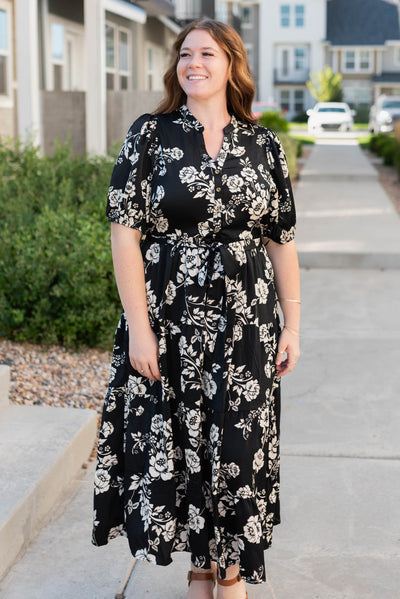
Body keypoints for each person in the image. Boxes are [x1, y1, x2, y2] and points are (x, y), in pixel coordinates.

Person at [92, 18, 300, 599]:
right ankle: (201, 572)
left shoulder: (263, 145)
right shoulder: (149, 134)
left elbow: (281, 239)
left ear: (231, 63)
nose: (194, 63)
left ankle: (229, 571)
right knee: (180, 449)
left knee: (235, 448)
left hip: (246, 323)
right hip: (168, 317)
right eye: (185, 54)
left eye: (207, 53)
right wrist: (139, 329)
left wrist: (294, 323)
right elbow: (124, 235)